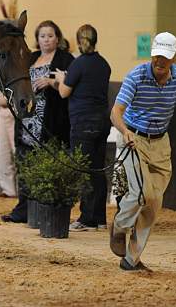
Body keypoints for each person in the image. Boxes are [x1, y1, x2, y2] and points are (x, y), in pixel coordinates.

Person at [109, 32, 176, 270]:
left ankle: (131, 260)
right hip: (133, 137)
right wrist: (125, 131)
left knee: (153, 204)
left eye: (165, 57)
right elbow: (116, 111)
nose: (159, 61)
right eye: (156, 56)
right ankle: (119, 227)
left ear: (175, 57)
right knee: (143, 194)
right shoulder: (137, 76)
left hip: (161, 142)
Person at [1, 20, 74, 223]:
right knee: (24, 164)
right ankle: (24, 207)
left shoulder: (65, 59)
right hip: (27, 119)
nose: (46, 40)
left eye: (50, 35)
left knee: (46, 164)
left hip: (50, 119)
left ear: (57, 38)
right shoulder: (31, 57)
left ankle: (45, 209)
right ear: (37, 39)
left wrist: (51, 82)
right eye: (42, 36)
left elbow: (71, 84)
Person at [54, 24, 111, 231]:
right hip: (102, 121)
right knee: (98, 169)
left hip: (82, 122)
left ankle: (86, 218)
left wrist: (61, 79)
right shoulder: (104, 64)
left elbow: (64, 92)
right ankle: (100, 218)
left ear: (79, 42)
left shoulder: (79, 64)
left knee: (83, 169)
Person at [0, 89, 17, 197]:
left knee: (18, 152)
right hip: (3, 112)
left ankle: (22, 190)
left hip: (17, 111)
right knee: (3, 154)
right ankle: (8, 190)